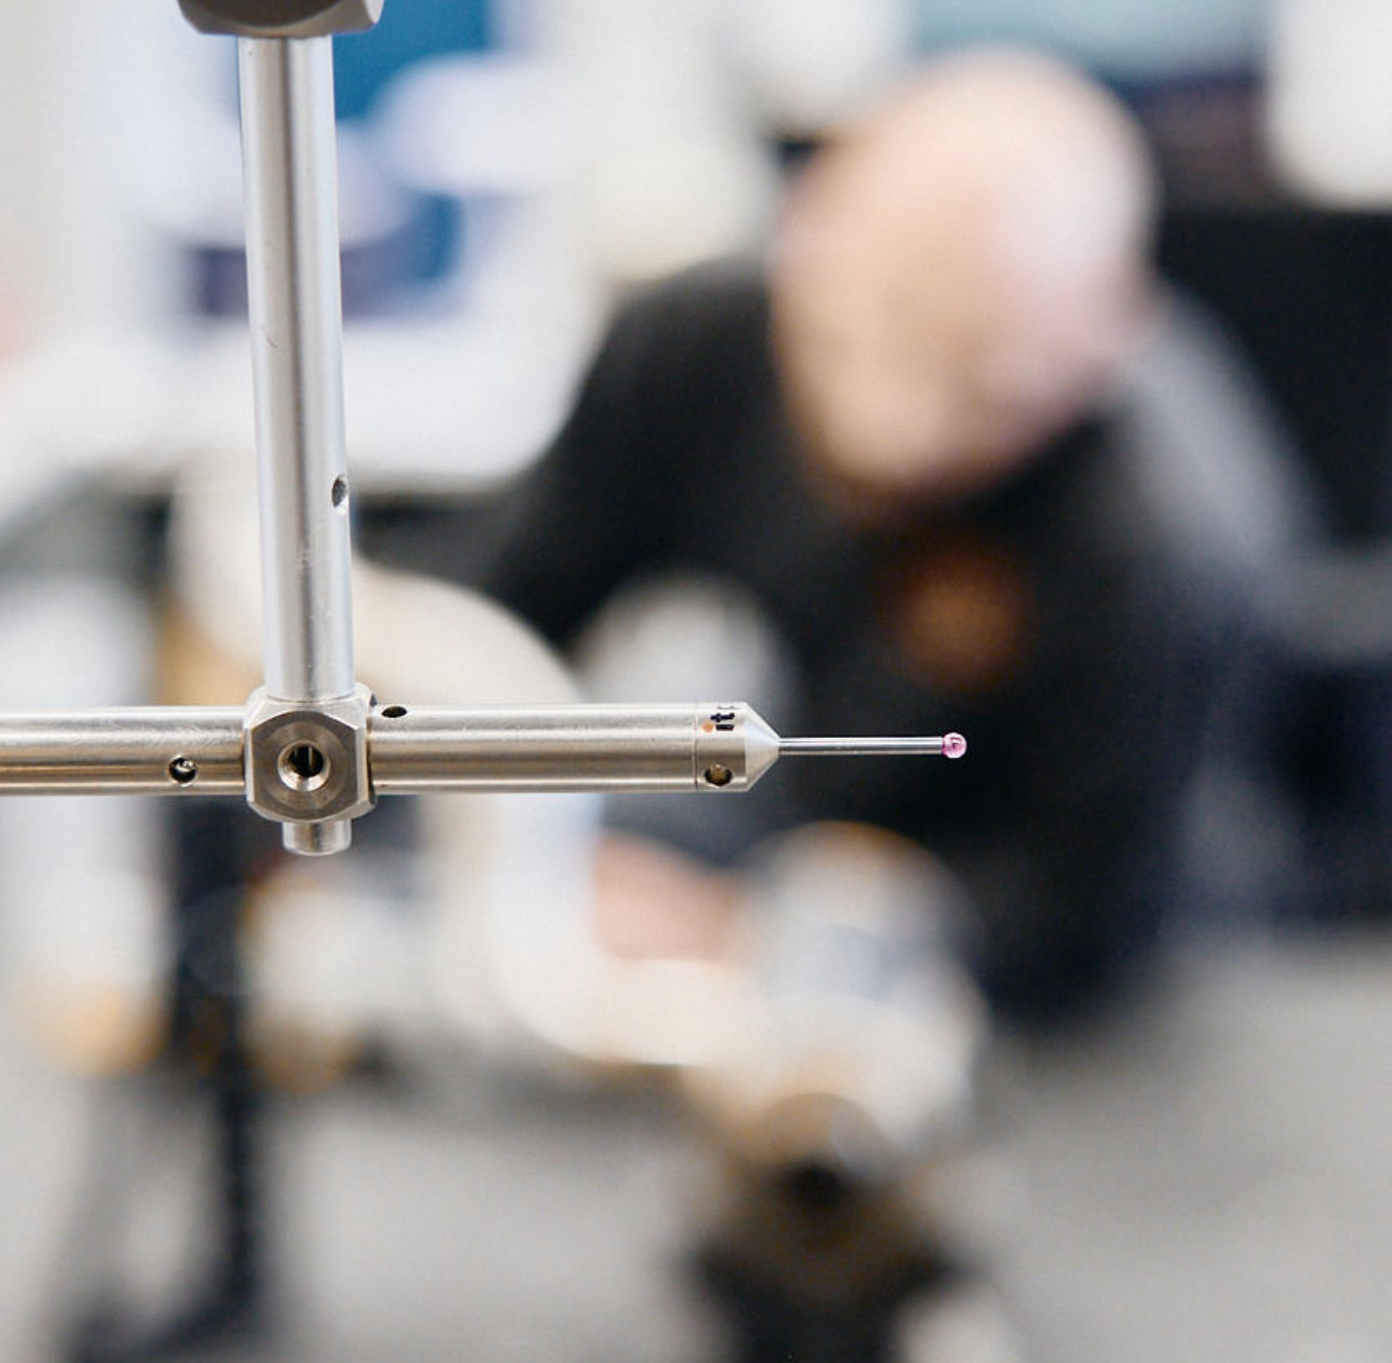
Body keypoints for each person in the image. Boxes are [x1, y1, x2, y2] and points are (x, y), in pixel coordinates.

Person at [451, 48, 1310, 1022]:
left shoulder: (1162, 543)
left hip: (1090, 936)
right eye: (852, 338)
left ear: (1108, 333)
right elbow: (488, 624)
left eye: (981, 382)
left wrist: (743, 930)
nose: (890, 433)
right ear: (801, 222)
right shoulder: (689, 348)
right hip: (799, 799)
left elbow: (1095, 918)